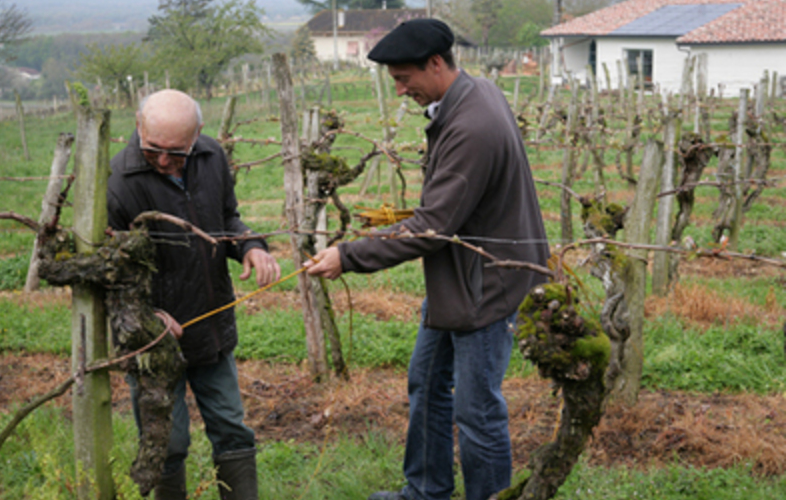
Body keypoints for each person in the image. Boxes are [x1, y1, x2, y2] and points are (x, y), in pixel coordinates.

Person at [304, 18, 550, 500]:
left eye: (403, 78)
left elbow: (432, 229)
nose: (399, 91)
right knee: (427, 383)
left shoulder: (471, 126)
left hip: (486, 286)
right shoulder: (473, 95)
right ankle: (426, 490)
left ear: (436, 64)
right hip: (458, 281)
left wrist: (347, 256)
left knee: (477, 410)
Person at [108, 89, 281, 500]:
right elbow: (109, 276)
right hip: (153, 341)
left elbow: (226, 219)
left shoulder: (212, 157)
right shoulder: (117, 183)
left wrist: (251, 245)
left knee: (232, 430)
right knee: (168, 443)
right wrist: (147, 314)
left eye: (177, 152)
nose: (165, 161)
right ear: (138, 125)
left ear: (197, 136)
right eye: (154, 149)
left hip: (212, 328)